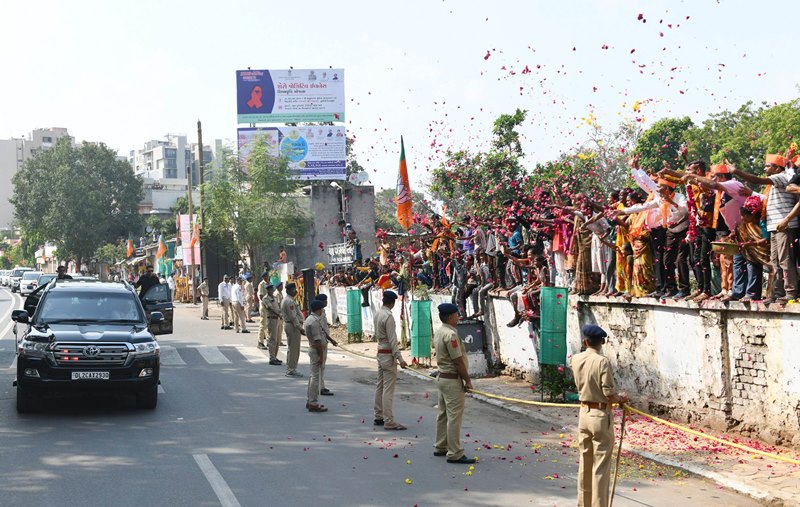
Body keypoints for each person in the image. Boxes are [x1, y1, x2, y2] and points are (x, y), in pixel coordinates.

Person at [569, 324, 629, 507]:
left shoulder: (576, 359)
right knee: (600, 467)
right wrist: (621, 398)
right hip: (600, 414)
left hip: (584, 413)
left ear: (585, 342)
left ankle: (584, 504)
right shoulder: (602, 361)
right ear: (602, 342)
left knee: (585, 463)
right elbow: (609, 393)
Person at [433, 303, 476, 464]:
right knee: (454, 417)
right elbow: (457, 361)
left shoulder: (439, 331)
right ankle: (454, 452)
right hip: (451, 379)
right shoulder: (450, 335)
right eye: (457, 314)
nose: (458, 317)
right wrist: (468, 380)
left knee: (443, 414)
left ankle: (440, 446)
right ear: (450, 317)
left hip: (442, 378)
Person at [373, 290, 408, 430]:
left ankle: (378, 415)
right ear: (392, 303)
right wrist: (400, 358)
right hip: (388, 353)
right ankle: (388, 420)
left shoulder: (378, 314)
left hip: (380, 351)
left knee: (380, 386)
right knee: (388, 389)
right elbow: (393, 340)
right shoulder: (388, 317)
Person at [303, 299, 328, 412]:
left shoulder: (310, 319)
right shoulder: (314, 322)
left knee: (313, 376)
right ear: (318, 310)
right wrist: (321, 357)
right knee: (315, 378)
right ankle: (313, 402)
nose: (322, 311)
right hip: (316, 350)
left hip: (313, 349)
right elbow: (318, 342)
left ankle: (310, 400)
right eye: (322, 309)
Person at [281, 282, 305, 377]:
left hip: (292, 326)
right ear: (289, 290)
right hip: (293, 326)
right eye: (293, 290)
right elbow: (293, 317)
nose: (295, 291)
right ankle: (291, 369)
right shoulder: (289, 301)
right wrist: (300, 328)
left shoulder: (289, 300)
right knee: (294, 349)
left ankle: (290, 367)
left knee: (292, 348)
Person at [314, 294, 334, 396]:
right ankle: (319, 387)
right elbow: (321, 329)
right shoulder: (319, 315)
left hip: (324, 340)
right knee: (320, 366)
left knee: (322, 366)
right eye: (325, 301)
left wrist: (330, 339)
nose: (326, 302)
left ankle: (321, 386)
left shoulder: (322, 313)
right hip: (320, 342)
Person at [259, 284, 283, 364]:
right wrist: (278, 314)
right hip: (272, 319)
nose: (272, 291)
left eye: (272, 289)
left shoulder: (275, 298)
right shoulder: (266, 299)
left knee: (278, 339)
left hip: (278, 319)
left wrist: (280, 314)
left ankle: (275, 356)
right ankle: (272, 358)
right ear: (267, 290)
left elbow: (278, 307)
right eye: (270, 290)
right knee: (272, 339)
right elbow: (270, 308)